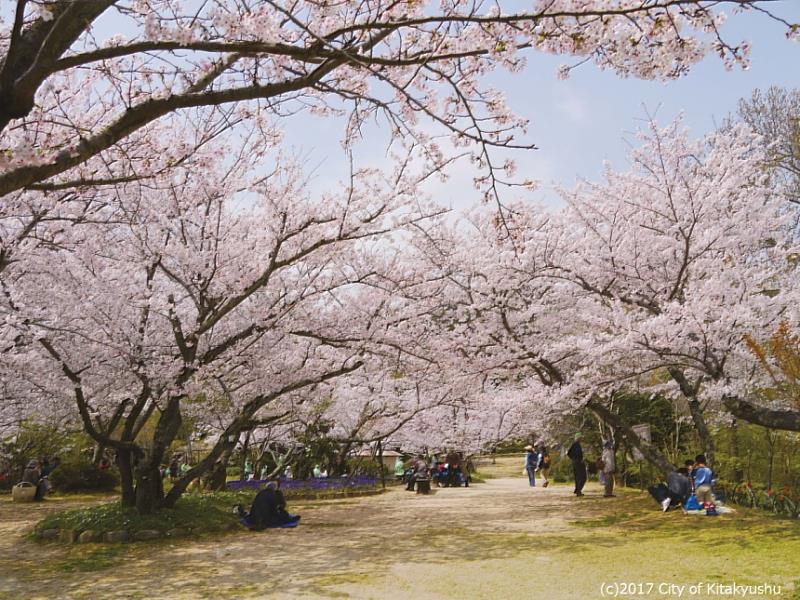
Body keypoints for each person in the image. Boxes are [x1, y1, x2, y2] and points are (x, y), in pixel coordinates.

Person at [235, 481, 300, 530]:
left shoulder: (261, 493)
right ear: (273, 488)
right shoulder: (272, 495)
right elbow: (273, 509)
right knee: (283, 517)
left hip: (254, 516)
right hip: (266, 518)